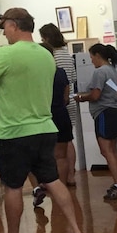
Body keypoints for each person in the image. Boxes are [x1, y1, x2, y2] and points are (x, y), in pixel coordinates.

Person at [0, 7, 84, 233]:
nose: (4, 34)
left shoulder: (6, 54)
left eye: (5, 28)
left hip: (15, 132)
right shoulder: (45, 55)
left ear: (13, 25)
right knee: (52, 179)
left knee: (13, 185)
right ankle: (74, 229)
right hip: (45, 127)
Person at [72, 43, 117, 200]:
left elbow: (95, 95)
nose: (91, 61)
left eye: (91, 57)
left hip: (104, 113)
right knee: (112, 150)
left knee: (106, 150)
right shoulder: (112, 71)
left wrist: (80, 97)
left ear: (97, 55)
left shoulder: (100, 72)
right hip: (114, 111)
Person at [39, 23, 77, 186]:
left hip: (54, 104)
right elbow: (72, 78)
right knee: (68, 140)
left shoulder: (52, 57)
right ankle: (71, 175)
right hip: (68, 102)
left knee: (56, 147)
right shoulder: (66, 54)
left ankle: (58, 179)